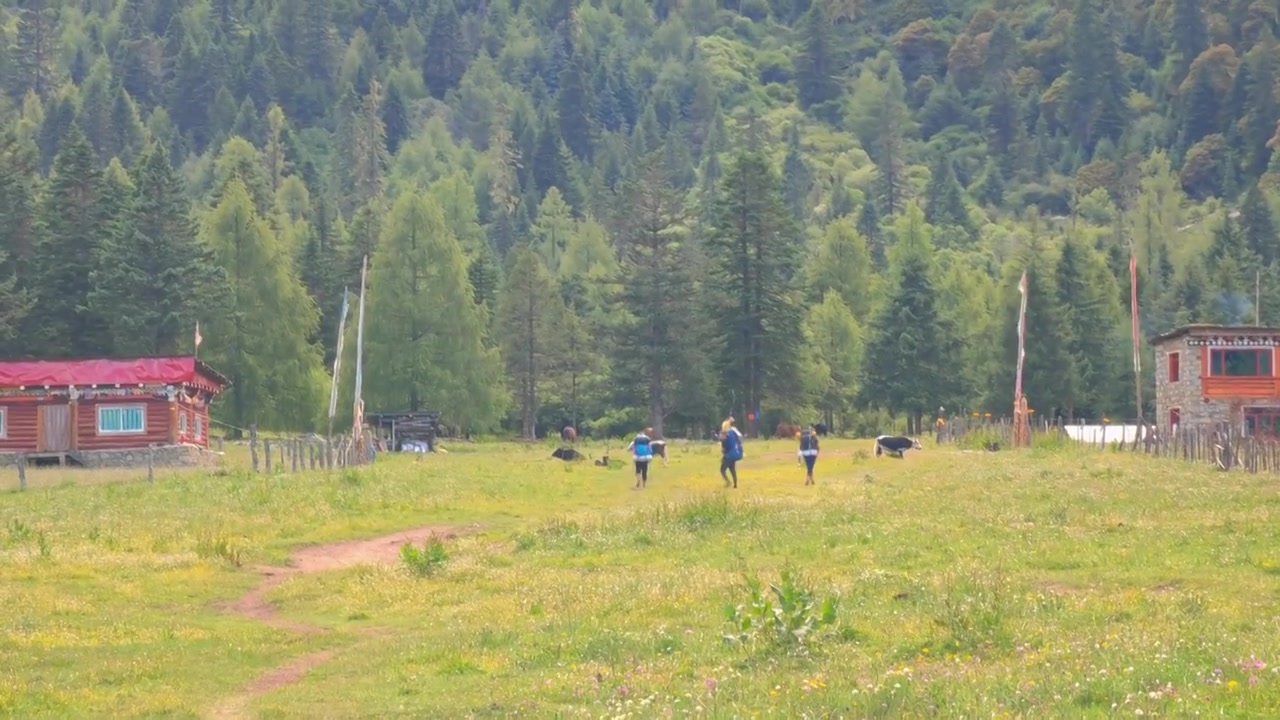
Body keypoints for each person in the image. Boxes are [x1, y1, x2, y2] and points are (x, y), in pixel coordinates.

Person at [720, 419, 743, 488]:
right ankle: (735, 484)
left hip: (729, 455)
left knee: (722, 470)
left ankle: (728, 482)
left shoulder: (725, 434)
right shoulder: (734, 432)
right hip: (736, 453)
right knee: (732, 469)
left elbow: (724, 447)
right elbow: (739, 440)